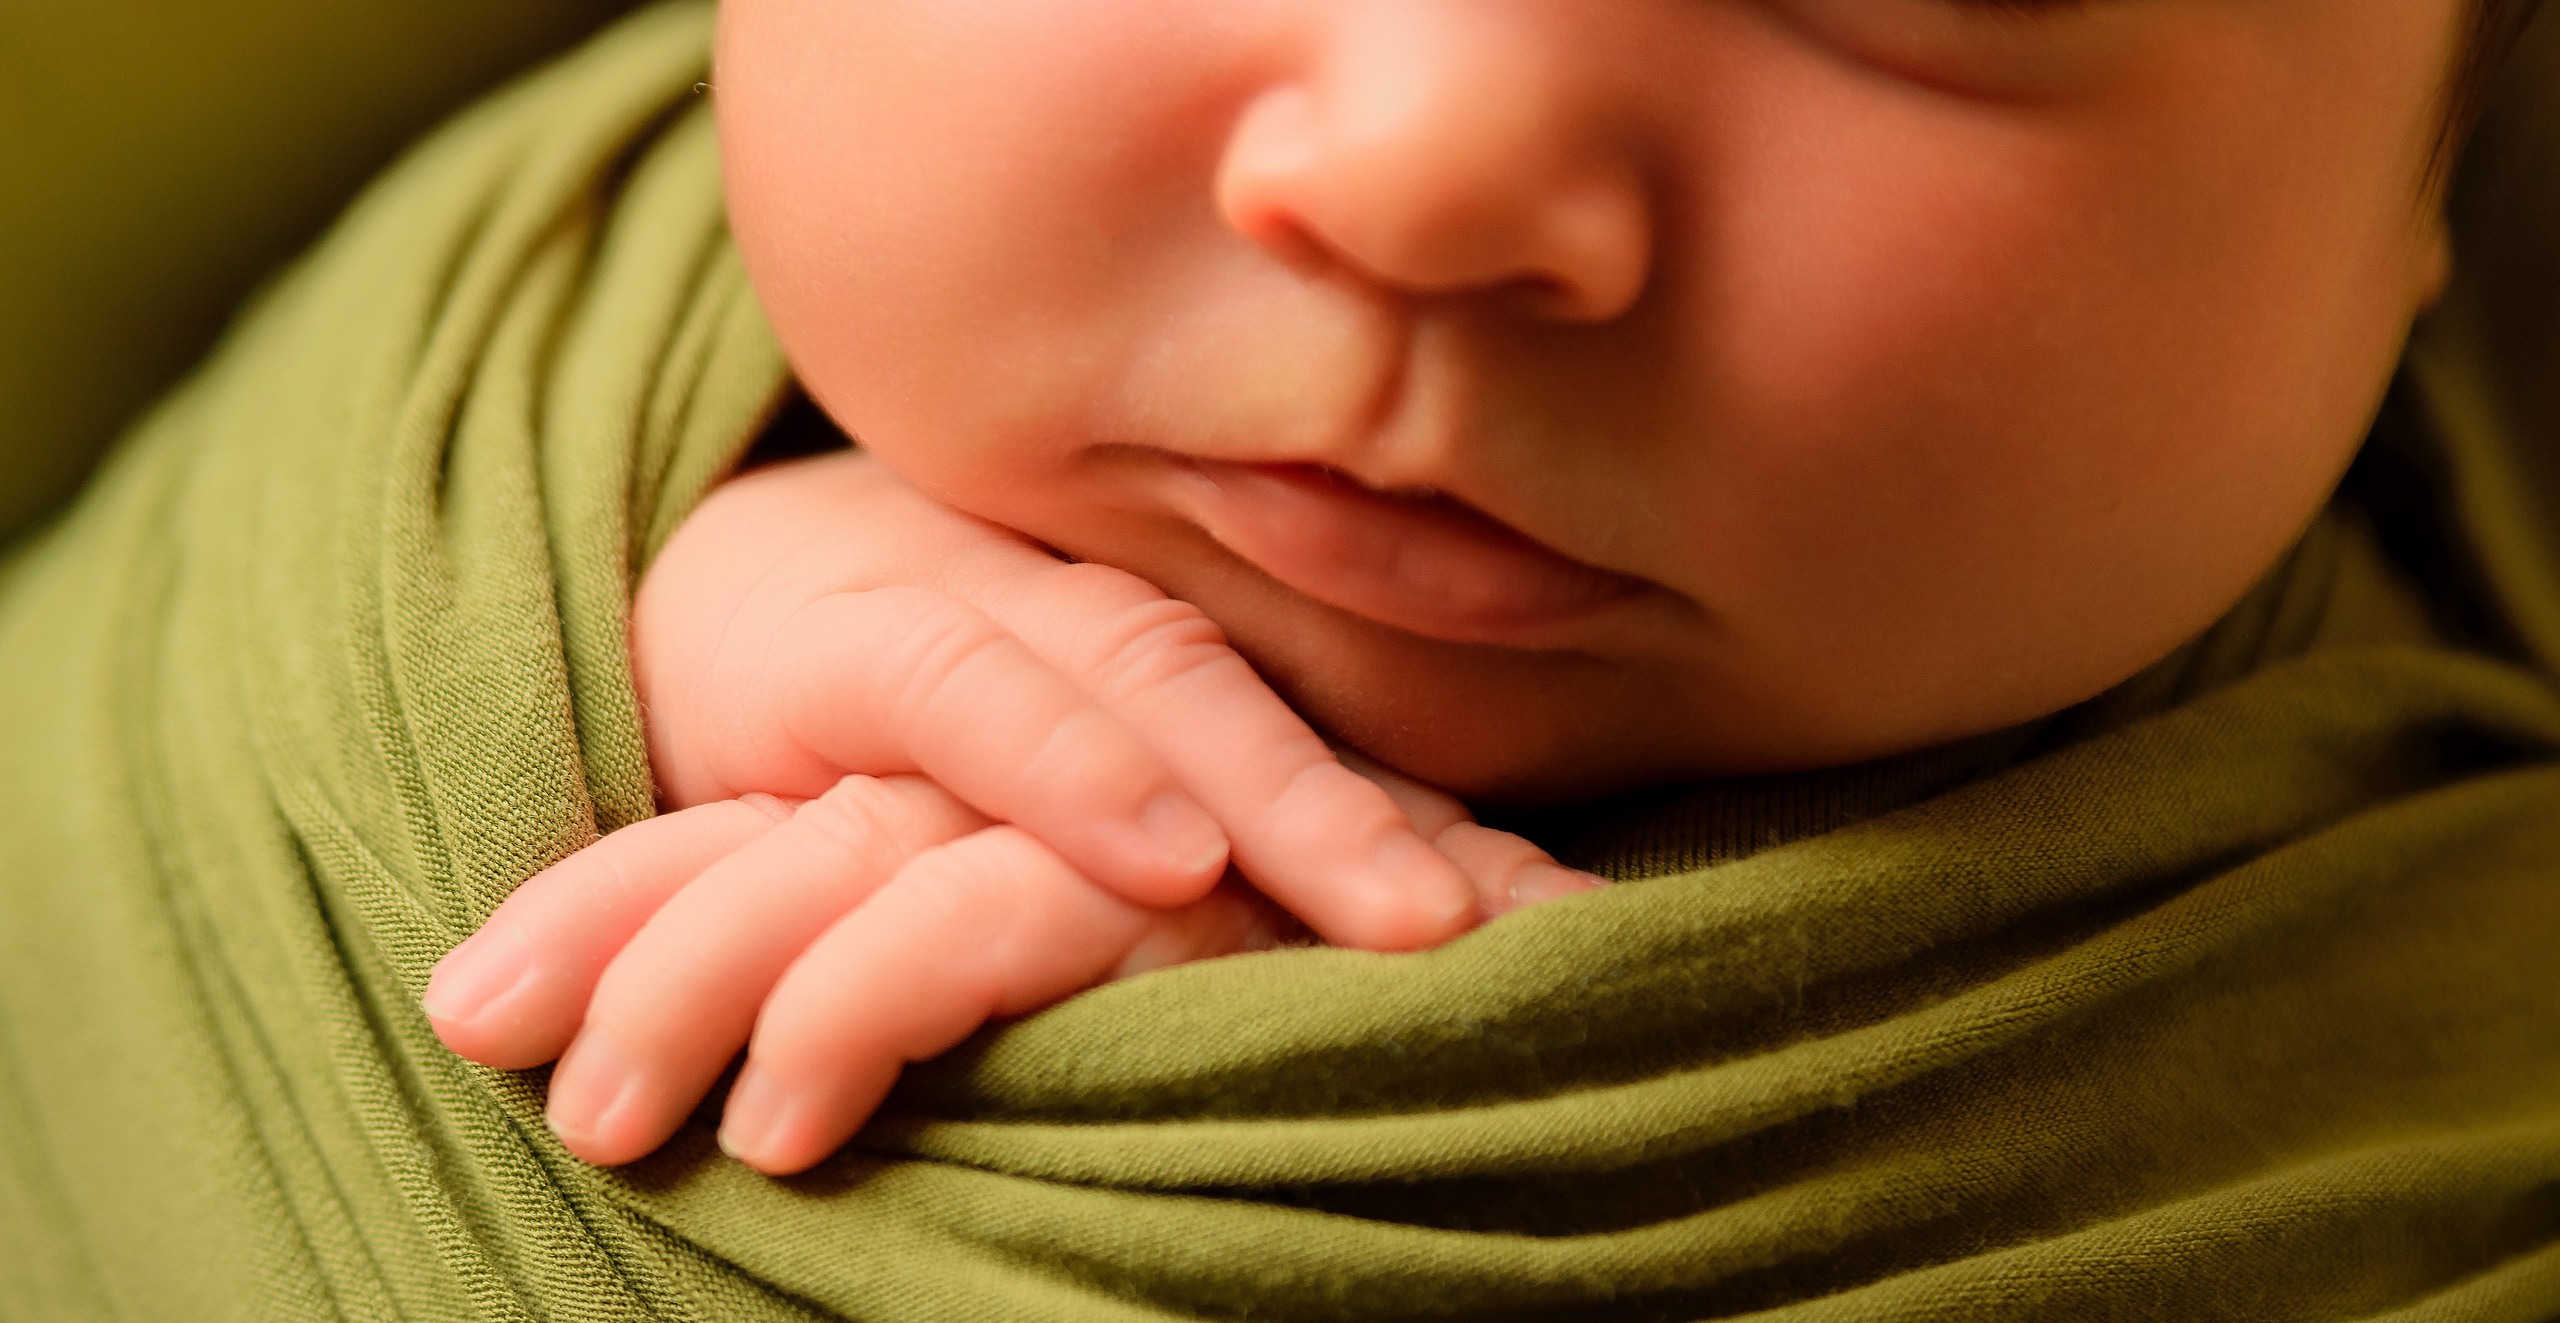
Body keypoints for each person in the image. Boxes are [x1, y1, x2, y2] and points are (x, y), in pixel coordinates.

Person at [428, 0, 2518, 1173]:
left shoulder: (2425, 1074)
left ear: (2431, 179)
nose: (1424, 169)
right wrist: (571, 682)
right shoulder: (481, 392)